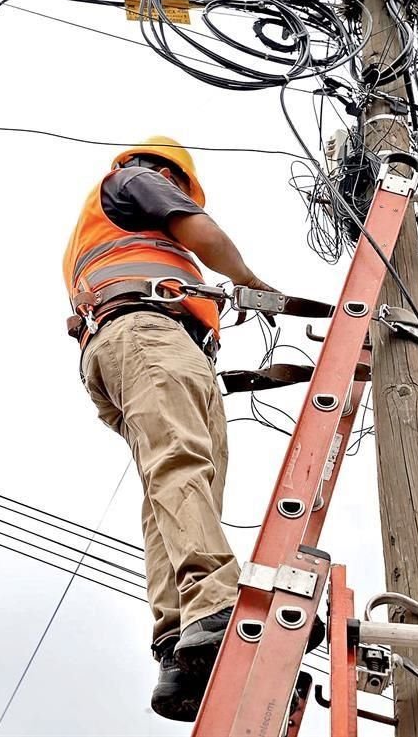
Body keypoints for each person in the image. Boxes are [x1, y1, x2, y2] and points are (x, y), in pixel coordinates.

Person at [63, 136, 277, 721]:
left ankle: (179, 642)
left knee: (180, 483)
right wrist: (253, 285)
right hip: (144, 332)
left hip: (151, 342)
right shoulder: (134, 179)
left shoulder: (112, 234)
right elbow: (199, 231)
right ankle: (214, 601)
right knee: (180, 465)